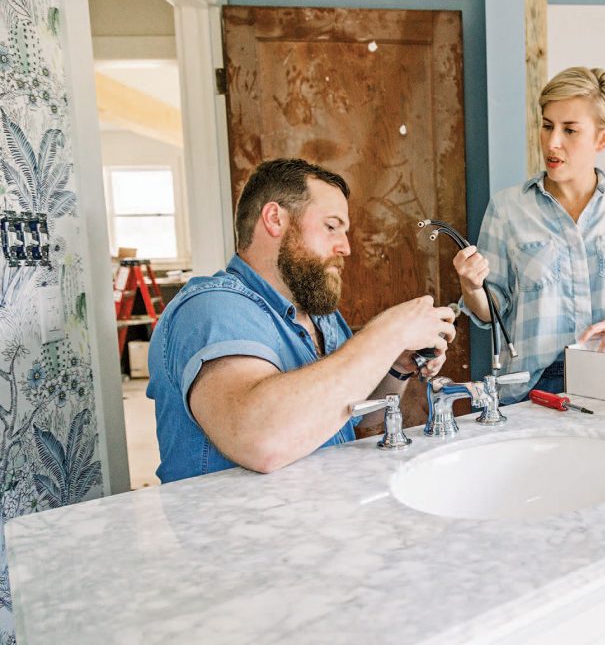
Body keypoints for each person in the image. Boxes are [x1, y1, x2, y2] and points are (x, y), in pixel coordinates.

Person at [147, 158, 456, 483]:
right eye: (331, 226)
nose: (346, 247)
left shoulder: (321, 316)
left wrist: (396, 364)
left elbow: (356, 414)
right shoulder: (211, 308)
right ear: (275, 219)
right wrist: (388, 334)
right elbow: (262, 441)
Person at [454, 67, 605, 403]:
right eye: (547, 125)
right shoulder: (507, 209)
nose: (552, 142)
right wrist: (471, 286)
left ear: (602, 138)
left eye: (570, 130)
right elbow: (492, 311)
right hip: (535, 390)